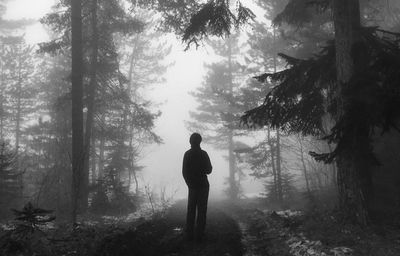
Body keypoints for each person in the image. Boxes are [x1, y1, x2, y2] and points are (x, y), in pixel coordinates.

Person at [182, 133, 212, 242]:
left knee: (191, 210)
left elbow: (184, 172)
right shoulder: (204, 154)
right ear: (200, 141)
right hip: (203, 185)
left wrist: (189, 184)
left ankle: (189, 235)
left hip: (192, 187)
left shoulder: (187, 154)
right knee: (202, 210)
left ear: (190, 141)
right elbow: (209, 170)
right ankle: (200, 234)